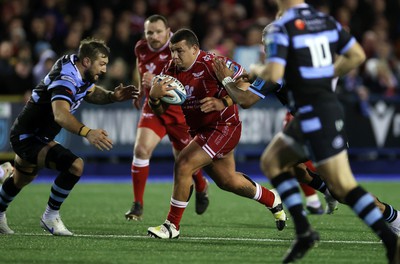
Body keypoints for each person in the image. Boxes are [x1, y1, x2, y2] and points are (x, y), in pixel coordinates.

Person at [212, 1, 400, 262]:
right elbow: (356, 55)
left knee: (342, 189)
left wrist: (227, 80)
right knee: (280, 163)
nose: (266, 50)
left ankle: (391, 223)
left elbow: (246, 100)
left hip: (316, 118)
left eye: (267, 46)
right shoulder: (323, 22)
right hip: (316, 114)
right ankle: (308, 226)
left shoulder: (281, 47)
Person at [146, 28, 287, 239]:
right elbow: (161, 111)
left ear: (194, 49)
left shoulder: (214, 62)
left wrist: (223, 101)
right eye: (172, 51)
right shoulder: (170, 69)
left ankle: (171, 226)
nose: (175, 56)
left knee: (184, 163)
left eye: (179, 51)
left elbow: (244, 82)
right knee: (227, 181)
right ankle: (271, 198)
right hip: (202, 130)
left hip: (224, 126)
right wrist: (154, 99)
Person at [0, 38, 139, 236]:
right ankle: (50, 216)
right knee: (75, 165)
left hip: (36, 134)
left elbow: (88, 92)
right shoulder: (67, 77)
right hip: (28, 136)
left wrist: (111, 97)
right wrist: (87, 132)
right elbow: (61, 114)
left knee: (21, 179)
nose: (105, 70)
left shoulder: (79, 70)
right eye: (102, 64)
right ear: (87, 62)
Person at [124, 15, 209, 221]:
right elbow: (141, 67)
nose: (154, 36)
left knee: (184, 160)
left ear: (168, 31)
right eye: (149, 32)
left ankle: (201, 185)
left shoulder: (178, 49)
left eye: (158, 31)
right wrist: (141, 90)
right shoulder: (141, 48)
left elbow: (187, 77)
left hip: (178, 112)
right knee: (141, 149)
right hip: (153, 107)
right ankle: (137, 205)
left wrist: (158, 82)